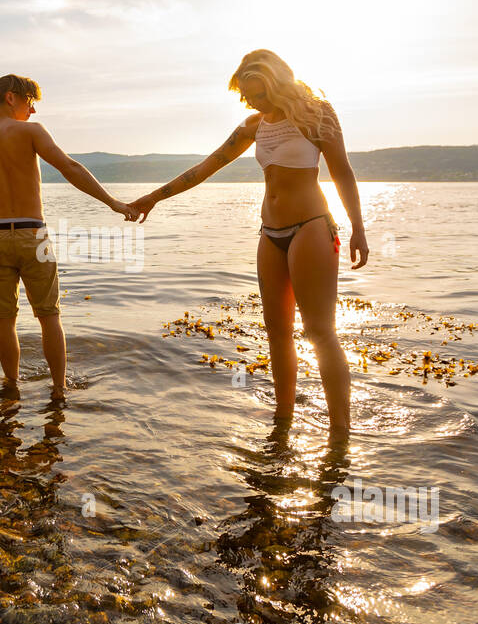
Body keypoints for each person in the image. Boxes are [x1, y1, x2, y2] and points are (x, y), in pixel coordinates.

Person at [129, 50, 369, 440]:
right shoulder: (253, 126)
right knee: (276, 332)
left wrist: (358, 228)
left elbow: (342, 171)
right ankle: (282, 421)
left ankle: (340, 432)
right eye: (247, 95)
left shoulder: (316, 114)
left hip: (311, 227)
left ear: (277, 82)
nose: (252, 101)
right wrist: (153, 198)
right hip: (270, 234)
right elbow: (202, 169)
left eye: (258, 93)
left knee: (320, 331)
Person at [0, 73, 139, 400]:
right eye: (30, 101)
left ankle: (11, 388)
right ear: (11, 97)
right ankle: (59, 390)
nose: (34, 111)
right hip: (32, 235)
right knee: (49, 316)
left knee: (4, 320)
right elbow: (70, 168)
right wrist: (112, 202)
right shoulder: (30, 132)